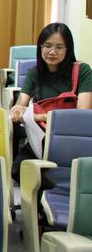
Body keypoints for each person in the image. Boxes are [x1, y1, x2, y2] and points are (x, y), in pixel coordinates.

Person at [10, 23, 92, 175]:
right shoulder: (35, 73)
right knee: (19, 170)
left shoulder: (82, 71)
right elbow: (19, 108)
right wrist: (18, 110)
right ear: (40, 47)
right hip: (42, 138)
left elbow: (82, 115)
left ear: (68, 49)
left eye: (59, 47)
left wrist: (38, 116)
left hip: (72, 137)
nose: (52, 52)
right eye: (47, 46)